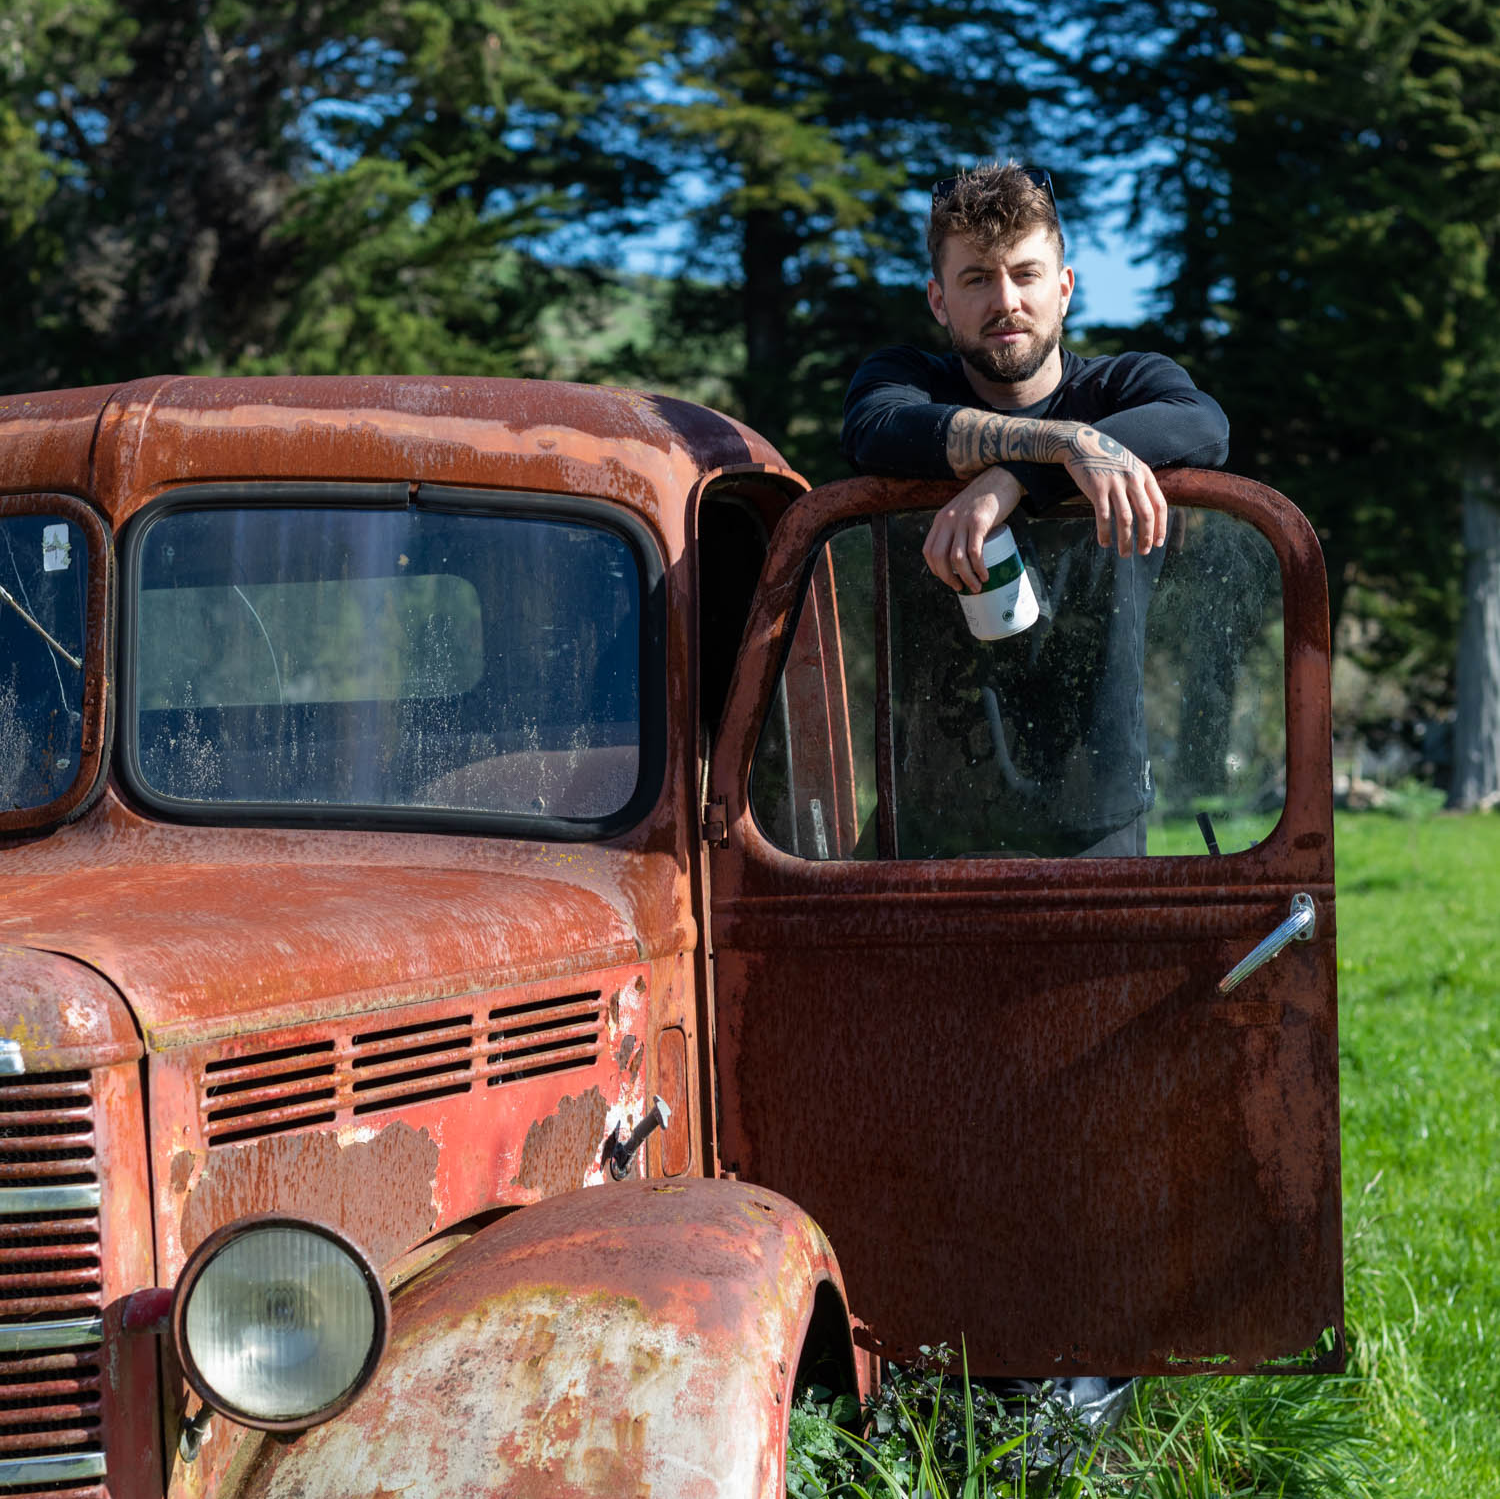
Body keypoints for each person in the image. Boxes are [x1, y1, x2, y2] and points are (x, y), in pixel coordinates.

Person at [840, 161, 1230, 859]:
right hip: (930, 828)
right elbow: (873, 428)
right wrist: (1061, 445)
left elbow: (1204, 424)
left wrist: (1013, 477)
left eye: (1025, 274)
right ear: (938, 299)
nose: (1006, 301)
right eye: (976, 279)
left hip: (1096, 821)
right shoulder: (906, 381)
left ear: (1064, 286)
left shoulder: (1125, 388)